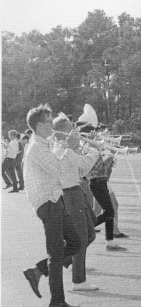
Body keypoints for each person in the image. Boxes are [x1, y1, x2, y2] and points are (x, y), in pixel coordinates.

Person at [22, 104, 83, 307]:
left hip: (55, 200)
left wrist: (66, 145)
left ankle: (38, 271)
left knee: (76, 242)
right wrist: (70, 147)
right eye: (49, 122)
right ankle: (56, 301)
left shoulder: (43, 143)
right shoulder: (37, 147)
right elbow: (57, 169)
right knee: (56, 254)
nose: (52, 125)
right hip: (48, 203)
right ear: (39, 126)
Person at [52, 114, 100, 291]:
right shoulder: (62, 150)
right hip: (70, 194)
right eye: (71, 130)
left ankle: (69, 260)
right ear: (64, 133)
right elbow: (85, 166)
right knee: (81, 238)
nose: (75, 132)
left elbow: (81, 170)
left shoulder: (66, 148)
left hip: (75, 192)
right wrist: (95, 149)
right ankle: (78, 281)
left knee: (90, 234)